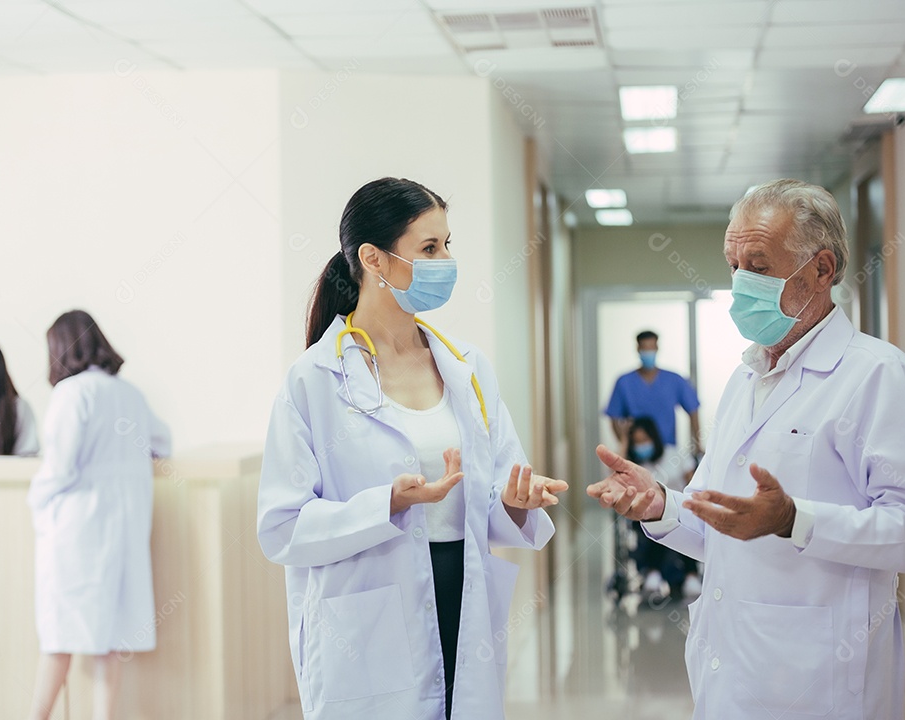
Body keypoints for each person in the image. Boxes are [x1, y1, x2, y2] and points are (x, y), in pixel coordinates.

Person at [587, 179, 905, 719]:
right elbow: (720, 523)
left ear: (821, 270)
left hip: (821, 680)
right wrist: (662, 504)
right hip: (729, 670)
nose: (739, 284)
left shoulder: (877, 374)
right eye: (733, 265)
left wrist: (795, 520)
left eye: (757, 265)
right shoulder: (745, 379)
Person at [258, 177, 568, 720]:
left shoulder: (467, 366)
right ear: (373, 259)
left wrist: (518, 500)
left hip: (462, 591)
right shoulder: (313, 379)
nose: (445, 260)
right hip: (368, 613)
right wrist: (389, 504)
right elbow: (282, 527)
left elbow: (496, 488)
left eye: (447, 245)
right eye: (429, 248)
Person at [25, 310, 171, 720]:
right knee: (110, 638)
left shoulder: (72, 394)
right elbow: (163, 441)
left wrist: (36, 504)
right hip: (123, 532)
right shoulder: (128, 394)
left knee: (58, 638)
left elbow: (59, 468)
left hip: (76, 533)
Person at [625, 417, 701, 602]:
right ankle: (653, 572)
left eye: (644, 440)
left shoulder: (674, 455)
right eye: (636, 442)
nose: (641, 446)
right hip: (648, 515)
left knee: (680, 523)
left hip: (680, 510)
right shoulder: (635, 465)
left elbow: (693, 484)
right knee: (652, 523)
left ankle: (691, 575)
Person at [605, 330, 703, 460]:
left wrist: (697, 444)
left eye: (651, 347)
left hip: (668, 452)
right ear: (638, 348)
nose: (648, 352)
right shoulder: (624, 382)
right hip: (637, 452)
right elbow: (614, 417)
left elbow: (693, 409)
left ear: (657, 348)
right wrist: (625, 446)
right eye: (645, 348)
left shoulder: (673, 380)